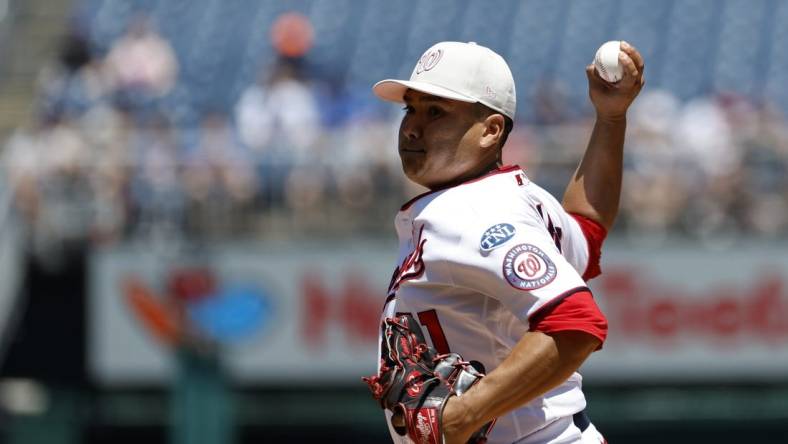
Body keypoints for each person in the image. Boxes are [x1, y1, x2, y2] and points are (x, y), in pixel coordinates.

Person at [370, 40, 644, 443]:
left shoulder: (474, 212)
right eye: (410, 108)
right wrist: (611, 118)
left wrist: (463, 415)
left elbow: (576, 324)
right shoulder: (520, 198)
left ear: (491, 131)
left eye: (436, 112)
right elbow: (587, 228)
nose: (412, 126)